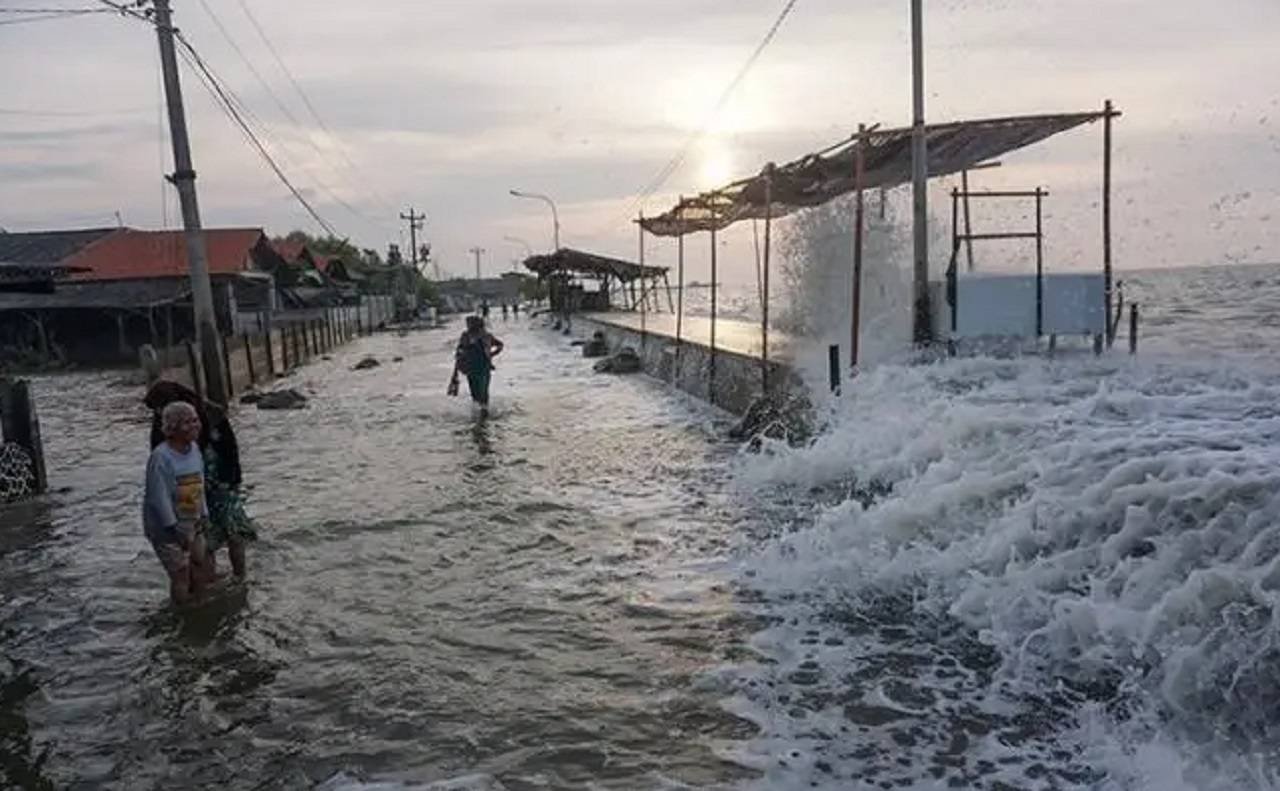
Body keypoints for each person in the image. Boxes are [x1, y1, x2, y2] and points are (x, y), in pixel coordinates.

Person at [144, 380, 258, 582]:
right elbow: (159, 467)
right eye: (158, 409)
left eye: (161, 407)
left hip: (219, 480)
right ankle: (210, 580)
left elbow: (230, 448)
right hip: (190, 488)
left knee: (233, 530)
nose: (160, 412)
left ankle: (240, 577)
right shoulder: (163, 422)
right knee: (204, 536)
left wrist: (234, 478)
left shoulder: (209, 412)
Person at [143, 401, 208, 606]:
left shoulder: (195, 449)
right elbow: (157, 497)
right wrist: (173, 527)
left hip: (192, 519)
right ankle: (182, 614)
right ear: (173, 428)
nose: (196, 425)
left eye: (196, 420)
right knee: (180, 572)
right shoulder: (161, 457)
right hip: (166, 527)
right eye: (188, 422)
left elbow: (199, 483)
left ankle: (199, 604)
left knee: (200, 562)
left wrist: (204, 513)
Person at [449, 315, 504, 414]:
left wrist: (492, 354)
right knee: (474, 393)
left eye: (469, 323)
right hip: (470, 368)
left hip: (484, 367)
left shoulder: (486, 335)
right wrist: (456, 370)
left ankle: (484, 413)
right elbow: (459, 351)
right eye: (467, 323)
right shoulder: (465, 336)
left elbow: (500, 344)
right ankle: (477, 414)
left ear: (476, 324)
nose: (467, 325)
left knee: (483, 391)